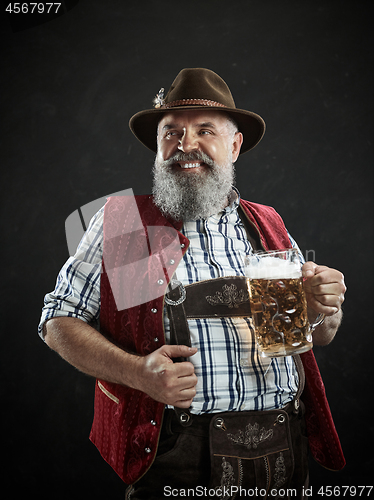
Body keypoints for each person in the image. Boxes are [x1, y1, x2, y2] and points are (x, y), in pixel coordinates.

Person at [39, 68, 346, 499]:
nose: (186, 145)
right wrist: (138, 373)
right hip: (176, 458)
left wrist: (322, 309)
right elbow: (58, 321)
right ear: (158, 145)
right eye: (172, 132)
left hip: (284, 451)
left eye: (205, 130)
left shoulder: (269, 224)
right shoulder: (128, 224)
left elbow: (318, 335)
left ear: (234, 146)